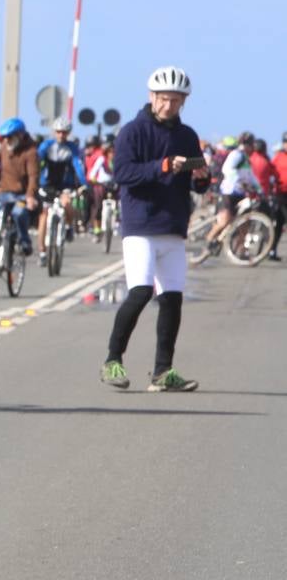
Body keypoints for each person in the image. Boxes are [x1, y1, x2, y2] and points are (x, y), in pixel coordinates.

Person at [99, 66, 209, 392]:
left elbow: (197, 183)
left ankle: (163, 371)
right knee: (141, 291)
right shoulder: (133, 132)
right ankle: (112, 361)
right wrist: (162, 166)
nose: (168, 106)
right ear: (151, 97)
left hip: (173, 225)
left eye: (176, 101)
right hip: (141, 224)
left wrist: (201, 179)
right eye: (163, 99)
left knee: (173, 299)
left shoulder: (187, 136)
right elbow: (123, 173)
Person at [0, 117, 39, 258]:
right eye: (5, 138)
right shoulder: (5, 146)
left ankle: (24, 241)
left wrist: (30, 196)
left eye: (10, 137)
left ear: (20, 135)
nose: (7, 140)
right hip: (4, 193)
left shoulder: (30, 151)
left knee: (18, 213)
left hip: (21, 195)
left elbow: (33, 176)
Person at [35, 117, 88, 264]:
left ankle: (69, 226)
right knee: (44, 215)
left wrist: (84, 184)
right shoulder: (46, 145)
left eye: (64, 133)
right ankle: (42, 252)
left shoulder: (72, 148)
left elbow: (78, 166)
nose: (61, 135)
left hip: (65, 184)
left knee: (67, 204)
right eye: (58, 132)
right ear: (54, 132)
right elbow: (37, 162)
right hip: (47, 183)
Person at [201, 131, 260, 255]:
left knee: (245, 223)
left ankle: (241, 251)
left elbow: (251, 177)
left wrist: (259, 189)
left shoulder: (246, 158)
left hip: (241, 194)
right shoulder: (237, 154)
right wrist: (239, 181)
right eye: (251, 145)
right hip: (229, 191)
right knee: (224, 220)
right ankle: (208, 241)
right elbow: (227, 169)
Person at [270, 132, 287, 261]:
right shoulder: (278, 157)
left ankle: (272, 250)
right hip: (280, 194)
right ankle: (272, 250)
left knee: (281, 224)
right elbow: (270, 173)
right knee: (279, 224)